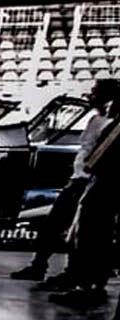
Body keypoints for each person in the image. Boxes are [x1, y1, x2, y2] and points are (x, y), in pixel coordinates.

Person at [14, 79, 120, 280]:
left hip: (87, 180)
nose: (90, 95)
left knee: (78, 228)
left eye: (95, 91)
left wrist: (88, 172)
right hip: (79, 178)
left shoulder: (111, 123)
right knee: (61, 225)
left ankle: (70, 273)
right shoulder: (96, 119)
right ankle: (45, 267)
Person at [53, 115, 120, 306]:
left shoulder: (116, 126)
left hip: (107, 182)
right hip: (109, 182)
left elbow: (101, 152)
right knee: (100, 234)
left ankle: (87, 287)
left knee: (93, 233)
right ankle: (93, 285)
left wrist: (89, 166)